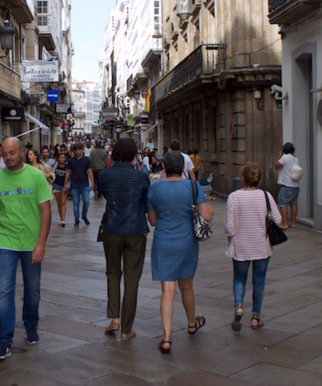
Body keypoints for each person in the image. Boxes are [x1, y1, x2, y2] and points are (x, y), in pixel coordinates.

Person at [0, 137, 53, 360]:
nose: (8, 157)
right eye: (5, 153)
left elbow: (46, 211)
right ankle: (4, 340)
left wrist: (41, 243)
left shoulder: (36, 176)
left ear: (22, 152)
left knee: (32, 290)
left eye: (12, 153)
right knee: (4, 291)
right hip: (6, 241)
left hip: (31, 242)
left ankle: (31, 323)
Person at [147, 151, 214, 353]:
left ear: (164, 168)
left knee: (167, 290)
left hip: (163, 241)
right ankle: (192, 323)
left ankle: (167, 338)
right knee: (186, 287)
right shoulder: (193, 186)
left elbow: (153, 221)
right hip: (186, 241)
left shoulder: (155, 188)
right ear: (183, 168)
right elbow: (208, 215)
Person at [98, 138, 150, 341]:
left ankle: (114, 319)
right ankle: (127, 329)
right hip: (135, 231)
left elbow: (105, 197)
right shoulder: (141, 177)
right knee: (132, 280)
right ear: (133, 154)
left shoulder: (104, 175)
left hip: (111, 230)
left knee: (112, 272)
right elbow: (145, 204)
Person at [225, 163, 282, 330]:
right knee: (259, 281)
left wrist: (231, 237)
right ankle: (256, 317)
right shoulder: (266, 196)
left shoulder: (234, 197)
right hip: (261, 245)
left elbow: (229, 226)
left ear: (243, 178)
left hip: (241, 245)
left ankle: (239, 307)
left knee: (239, 278)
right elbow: (278, 220)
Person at [65, 143, 94, 227]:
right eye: (76, 150)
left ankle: (84, 215)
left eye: (79, 149)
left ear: (82, 150)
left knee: (86, 201)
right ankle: (76, 220)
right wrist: (65, 184)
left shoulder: (86, 160)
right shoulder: (71, 160)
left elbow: (90, 171)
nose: (78, 151)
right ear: (74, 151)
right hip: (74, 184)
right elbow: (68, 172)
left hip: (84, 184)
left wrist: (92, 183)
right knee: (76, 203)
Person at [275, 142, 300, 229]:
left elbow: (277, 165)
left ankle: (285, 223)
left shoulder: (285, 158)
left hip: (287, 185)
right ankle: (293, 222)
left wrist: (279, 155)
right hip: (295, 185)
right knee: (293, 204)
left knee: (282, 203)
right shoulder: (296, 159)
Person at [52, 152, 69, 226]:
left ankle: (63, 220)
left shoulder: (67, 166)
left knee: (63, 202)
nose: (62, 159)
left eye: (63, 157)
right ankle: (61, 217)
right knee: (59, 202)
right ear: (58, 158)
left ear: (65, 158)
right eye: (60, 157)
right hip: (56, 184)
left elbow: (69, 177)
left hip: (64, 185)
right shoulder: (55, 165)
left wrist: (67, 185)